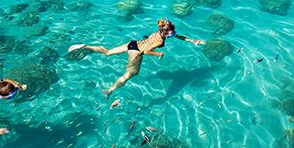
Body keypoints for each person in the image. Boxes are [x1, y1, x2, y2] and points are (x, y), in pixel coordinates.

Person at [69, 18, 204, 96]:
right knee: (130, 74)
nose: (173, 33)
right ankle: (110, 90)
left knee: (108, 52)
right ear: (165, 33)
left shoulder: (158, 32)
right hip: (137, 51)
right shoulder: (160, 41)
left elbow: (178, 36)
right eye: (171, 31)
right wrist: (159, 53)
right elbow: (146, 52)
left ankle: (84, 46)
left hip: (132, 43)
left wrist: (193, 41)